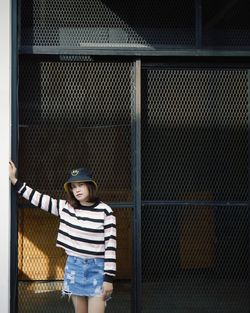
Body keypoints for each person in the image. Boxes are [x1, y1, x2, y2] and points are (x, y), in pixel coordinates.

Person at [9, 161, 116, 313]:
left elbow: (111, 248)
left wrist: (108, 279)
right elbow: (40, 199)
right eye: (73, 187)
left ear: (90, 185)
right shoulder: (66, 208)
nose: (76, 190)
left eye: (80, 185)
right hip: (75, 266)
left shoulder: (106, 211)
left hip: (97, 269)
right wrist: (14, 181)